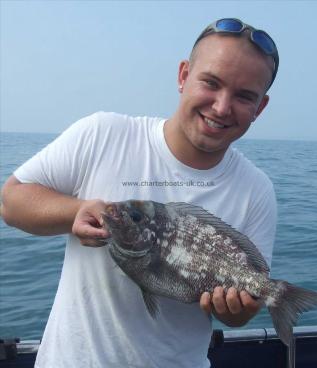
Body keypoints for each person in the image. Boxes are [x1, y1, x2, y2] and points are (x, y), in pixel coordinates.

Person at [1, 18, 278, 368]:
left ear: (260, 107)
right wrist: (75, 212)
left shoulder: (257, 190)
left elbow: (239, 316)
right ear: (183, 76)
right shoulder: (104, 134)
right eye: (211, 82)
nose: (222, 107)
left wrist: (239, 309)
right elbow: (11, 201)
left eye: (244, 96)